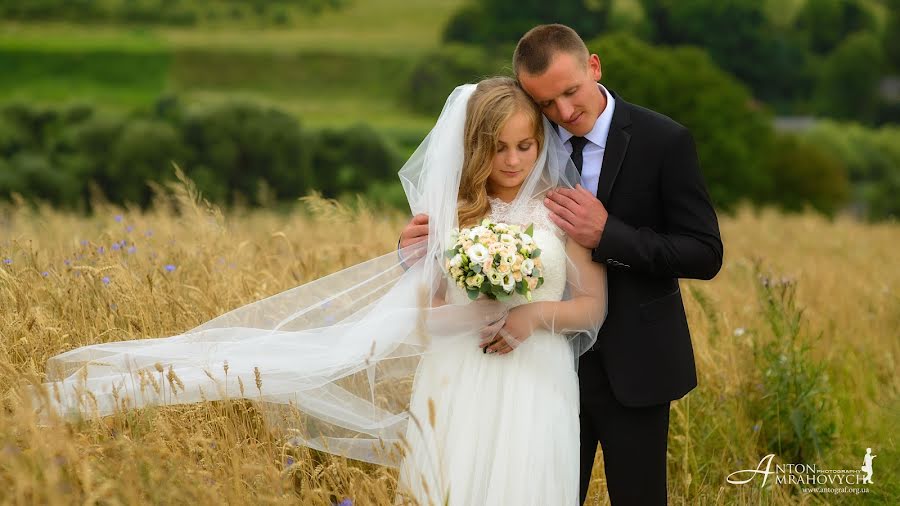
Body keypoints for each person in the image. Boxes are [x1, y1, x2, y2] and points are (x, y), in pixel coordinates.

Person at [32, 77, 606, 505]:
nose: (511, 161)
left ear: (540, 144)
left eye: (524, 147)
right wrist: (479, 309)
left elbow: (593, 306)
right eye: (498, 147)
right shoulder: (449, 217)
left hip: (537, 380)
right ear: (476, 147)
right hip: (463, 379)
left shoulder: (562, 208)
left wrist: (529, 316)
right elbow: (429, 320)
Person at [400, 24, 723, 505]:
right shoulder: (524, 130)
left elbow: (704, 252)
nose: (564, 113)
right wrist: (417, 251)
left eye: (571, 93)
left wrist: (609, 235)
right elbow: (462, 219)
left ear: (593, 66)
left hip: (632, 362)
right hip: (525, 370)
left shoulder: (664, 141)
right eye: (547, 104)